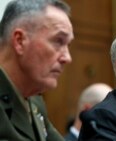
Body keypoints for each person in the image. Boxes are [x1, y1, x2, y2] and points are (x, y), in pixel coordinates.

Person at [0, 0, 74, 140]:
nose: (67, 58)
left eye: (67, 44)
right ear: (20, 41)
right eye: (58, 41)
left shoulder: (34, 101)